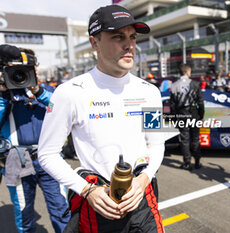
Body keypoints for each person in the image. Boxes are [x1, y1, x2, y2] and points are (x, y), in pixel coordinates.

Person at [38, 5, 165, 232]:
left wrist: (144, 179)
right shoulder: (70, 92)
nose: (129, 45)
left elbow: (157, 144)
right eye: (118, 36)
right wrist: (87, 191)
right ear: (94, 43)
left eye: (132, 37)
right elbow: (47, 154)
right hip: (98, 203)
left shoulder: (150, 91)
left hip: (142, 198)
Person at [0, 46, 69, 232]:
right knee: (24, 213)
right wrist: (4, 94)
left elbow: (63, 110)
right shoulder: (3, 94)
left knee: (61, 209)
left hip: (49, 156)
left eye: (31, 65)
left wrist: (37, 91)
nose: (25, 70)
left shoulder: (45, 90)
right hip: (16, 158)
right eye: (20, 67)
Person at [170, 63, 204, 170]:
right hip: (194, 113)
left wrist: (174, 118)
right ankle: (197, 162)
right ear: (188, 72)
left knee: (184, 139)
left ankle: (187, 162)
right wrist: (201, 115)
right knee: (196, 138)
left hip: (181, 114)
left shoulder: (174, 86)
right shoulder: (195, 84)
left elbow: (172, 105)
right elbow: (201, 102)